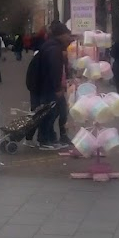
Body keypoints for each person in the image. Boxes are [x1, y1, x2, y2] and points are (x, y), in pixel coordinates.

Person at [33, 20, 72, 149]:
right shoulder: (54, 49)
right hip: (51, 88)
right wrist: (57, 88)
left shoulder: (51, 46)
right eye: (67, 34)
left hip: (48, 87)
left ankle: (51, 137)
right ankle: (44, 140)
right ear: (61, 35)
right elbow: (55, 69)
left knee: (58, 112)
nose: (69, 37)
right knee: (51, 113)